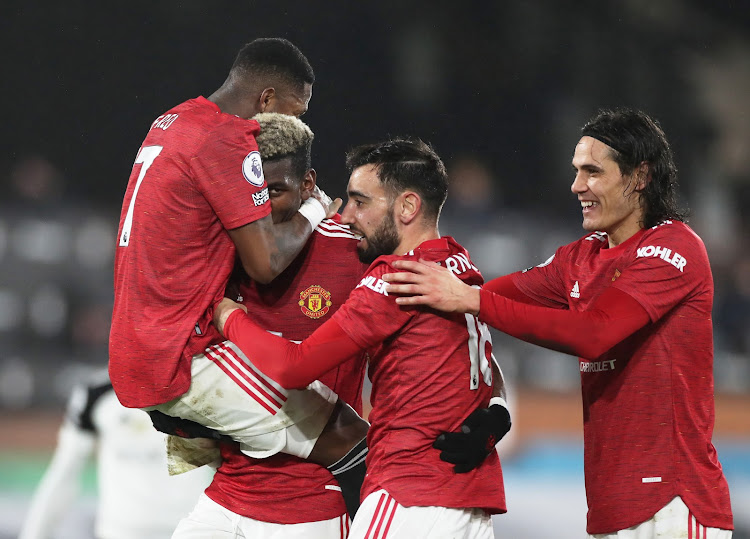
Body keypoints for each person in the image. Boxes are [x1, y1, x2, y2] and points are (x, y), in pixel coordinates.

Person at [382, 108, 734, 538]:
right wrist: (397, 282)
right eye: (575, 171)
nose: (577, 185)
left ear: (640, 176)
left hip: (674, 506)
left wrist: (469, 298)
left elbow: (595, 334)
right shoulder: (579, 257)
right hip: (611, 504)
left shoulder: (673, 248)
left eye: (592, 171)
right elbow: (485, 296)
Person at [213, 137, 509, 538]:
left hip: (409, 497)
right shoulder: (455, 262)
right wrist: (499, 411)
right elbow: (484, 363)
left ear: (407, 207)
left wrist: (230, 317)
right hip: (468, 507)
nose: (347, 215)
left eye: (360, 201)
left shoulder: (397, 278)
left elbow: (293, 367)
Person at [108, 37, 368, 482]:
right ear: (266, 99)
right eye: (294, 111)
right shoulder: (228, 138)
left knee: (248, 472)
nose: (293, 123)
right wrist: (314, 208)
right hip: (180, 354)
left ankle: (197, 432)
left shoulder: (172, 121)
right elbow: (265, 263)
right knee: (352, 437)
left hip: (139, 339)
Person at [171, 112, 369, 538]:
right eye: (251, 192)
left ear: (309, 185)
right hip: (226, 495)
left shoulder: (353, 255)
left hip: (311, 508)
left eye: (275, 191)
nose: (258, 206)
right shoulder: (219, 255)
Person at [18, 369, 213, 539]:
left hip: (190, 531)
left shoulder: (208, 386)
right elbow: (64, 473)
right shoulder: (97, 393)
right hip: (119, 532)